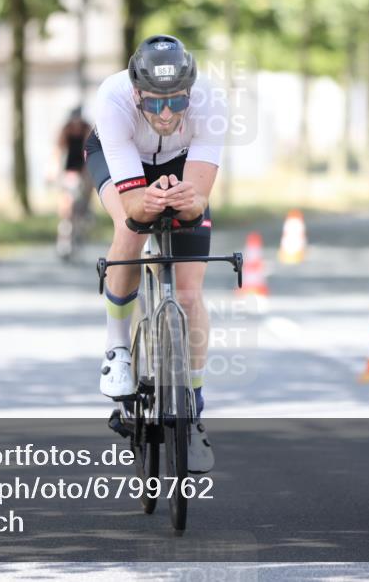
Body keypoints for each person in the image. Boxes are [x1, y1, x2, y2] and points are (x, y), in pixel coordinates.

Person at [85, 34, 226, 474]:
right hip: (121, 159)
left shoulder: (211, 101)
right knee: (130, 227)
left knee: (188, 294)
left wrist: (189, 201)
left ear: (190, 93)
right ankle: (117, 350)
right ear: (136, 93)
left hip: (180, 165)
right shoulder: (113, 100)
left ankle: (194, 408)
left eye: (177, 103)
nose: (166, 114)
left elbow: (198, 198)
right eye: (155, 103)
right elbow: (131, 204)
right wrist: (143, 205)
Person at [55, 107, 93, 259]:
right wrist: (54, 171)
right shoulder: (65, 130)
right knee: (67, 206)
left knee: (83, 203)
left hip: (83, 170)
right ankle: (64, 240)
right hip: (68, 171)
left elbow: (89, 151)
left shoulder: (86, 129)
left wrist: (87, 173)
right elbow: (58, 151)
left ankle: (85, 216)